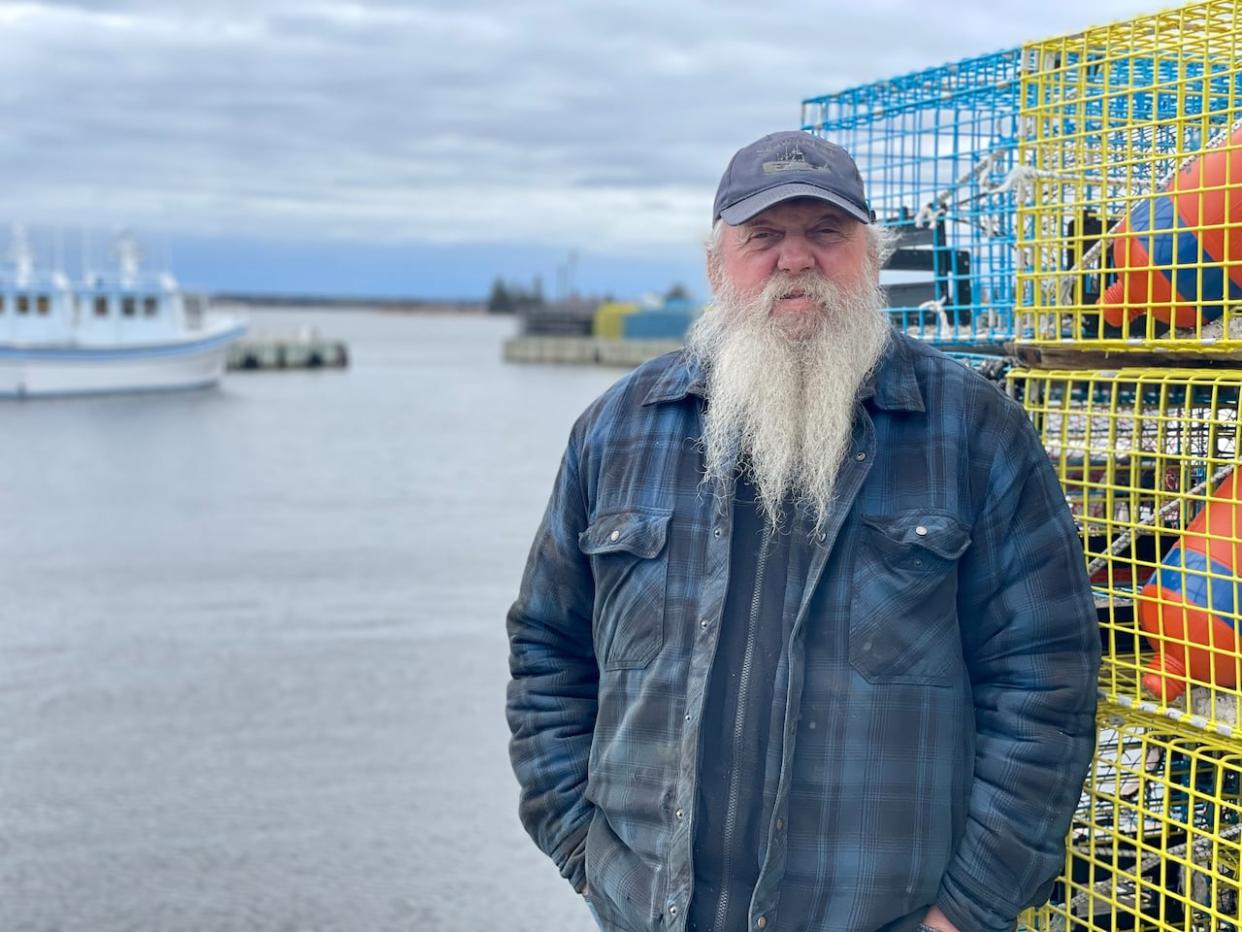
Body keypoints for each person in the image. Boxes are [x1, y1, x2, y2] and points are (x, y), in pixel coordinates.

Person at [506, 130, 1100, 932]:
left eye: (826, 233)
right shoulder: (615, 432)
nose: (796, 260)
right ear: (718, 265)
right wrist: (585, 858)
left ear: (870, 256)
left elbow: (1046, 679)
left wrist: (970, 909)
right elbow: (547, 648)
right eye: (763, 236)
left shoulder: (974, 432)